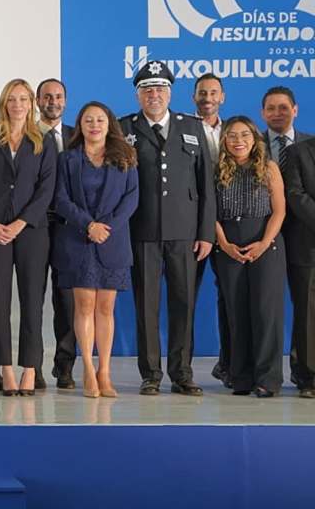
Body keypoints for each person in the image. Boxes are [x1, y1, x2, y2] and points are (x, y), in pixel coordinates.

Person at [119, 62, 214, 396]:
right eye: (147, 90)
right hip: (141, 231)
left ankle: (182, 372)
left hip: (185, 233)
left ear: (170, 93)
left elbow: (205, 185)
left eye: (160, 89)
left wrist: (206, 233)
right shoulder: (124, 128)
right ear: (138, 95)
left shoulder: (192, 127)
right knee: (146, 307)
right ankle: (151, 374)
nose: (154, 95)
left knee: (183, 304)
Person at [0, 79, 57, 396]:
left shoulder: (44, 142)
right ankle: (5, 368)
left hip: (31, 231)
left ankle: (30, 369)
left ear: (31, 104)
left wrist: (21, 222)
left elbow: (46, 189)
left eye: (23, 99)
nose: (18, 104)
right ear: (3, 103)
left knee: (32, 302)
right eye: (12, 99)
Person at [53, 102, 139, 399]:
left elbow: (131, 198)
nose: (94, 125)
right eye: (88, 120)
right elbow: (60, 199)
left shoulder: (126, 157)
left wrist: (106, 227)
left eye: (100, 120)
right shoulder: (67, 159)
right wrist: (88, 225)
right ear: (80, 125)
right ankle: (88, 370)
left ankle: (105, 371)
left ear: (109, 124)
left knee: (105, 308)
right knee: (84, 305)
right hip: (79, 240)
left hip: (112, 241)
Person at [212, 116, 286, 398]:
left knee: (266, 312)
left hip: (265, 243)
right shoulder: (216, 169)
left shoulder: (269, 168)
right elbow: (210, 212)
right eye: (232, 135)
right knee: (236, 312)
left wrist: (264, 243)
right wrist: (224, 243)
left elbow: (279, 210)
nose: (238, 141)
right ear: (224, 140)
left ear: (255, 139)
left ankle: (267, 379)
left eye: (244, 135)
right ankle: (240, 377)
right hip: (228, 245)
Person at [260, 86, 312, 389]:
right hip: (260, 237)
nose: (277, 113)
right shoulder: (248, 143)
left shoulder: (309, 145)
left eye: (283, 107)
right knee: (262, 308)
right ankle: (253, 372)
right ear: (262, 113)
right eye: (271, 108)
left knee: (307, 309)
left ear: (295, 110)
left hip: (305, 238)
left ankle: (304, 371)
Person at [36, 78, 76, 390]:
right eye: (47, 96)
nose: (53, 101)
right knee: (32, 300)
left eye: (58, 96)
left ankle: (65, 367)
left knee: (67, 302)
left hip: (69, 228)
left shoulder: (78, 135)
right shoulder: (25, 134)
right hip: (35, 227)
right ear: (38, 101)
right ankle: (32, 366)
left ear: (65, 100)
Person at [193, 73, 230, 385]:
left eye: (213, 92)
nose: (207, 98)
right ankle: (182, 370)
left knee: (230, 297)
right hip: (194, 227)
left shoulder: (236, 131)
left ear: (222, 97)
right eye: (202, 92)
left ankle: (229, 363)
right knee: (186, 297)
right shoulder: (183, 129)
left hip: (231, 226)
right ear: (194, 97)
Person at [284, 137, 315, 398]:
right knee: (308, 313)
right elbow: (295, 194)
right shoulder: (298, 152)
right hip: (308, 246)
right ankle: (308, 377)